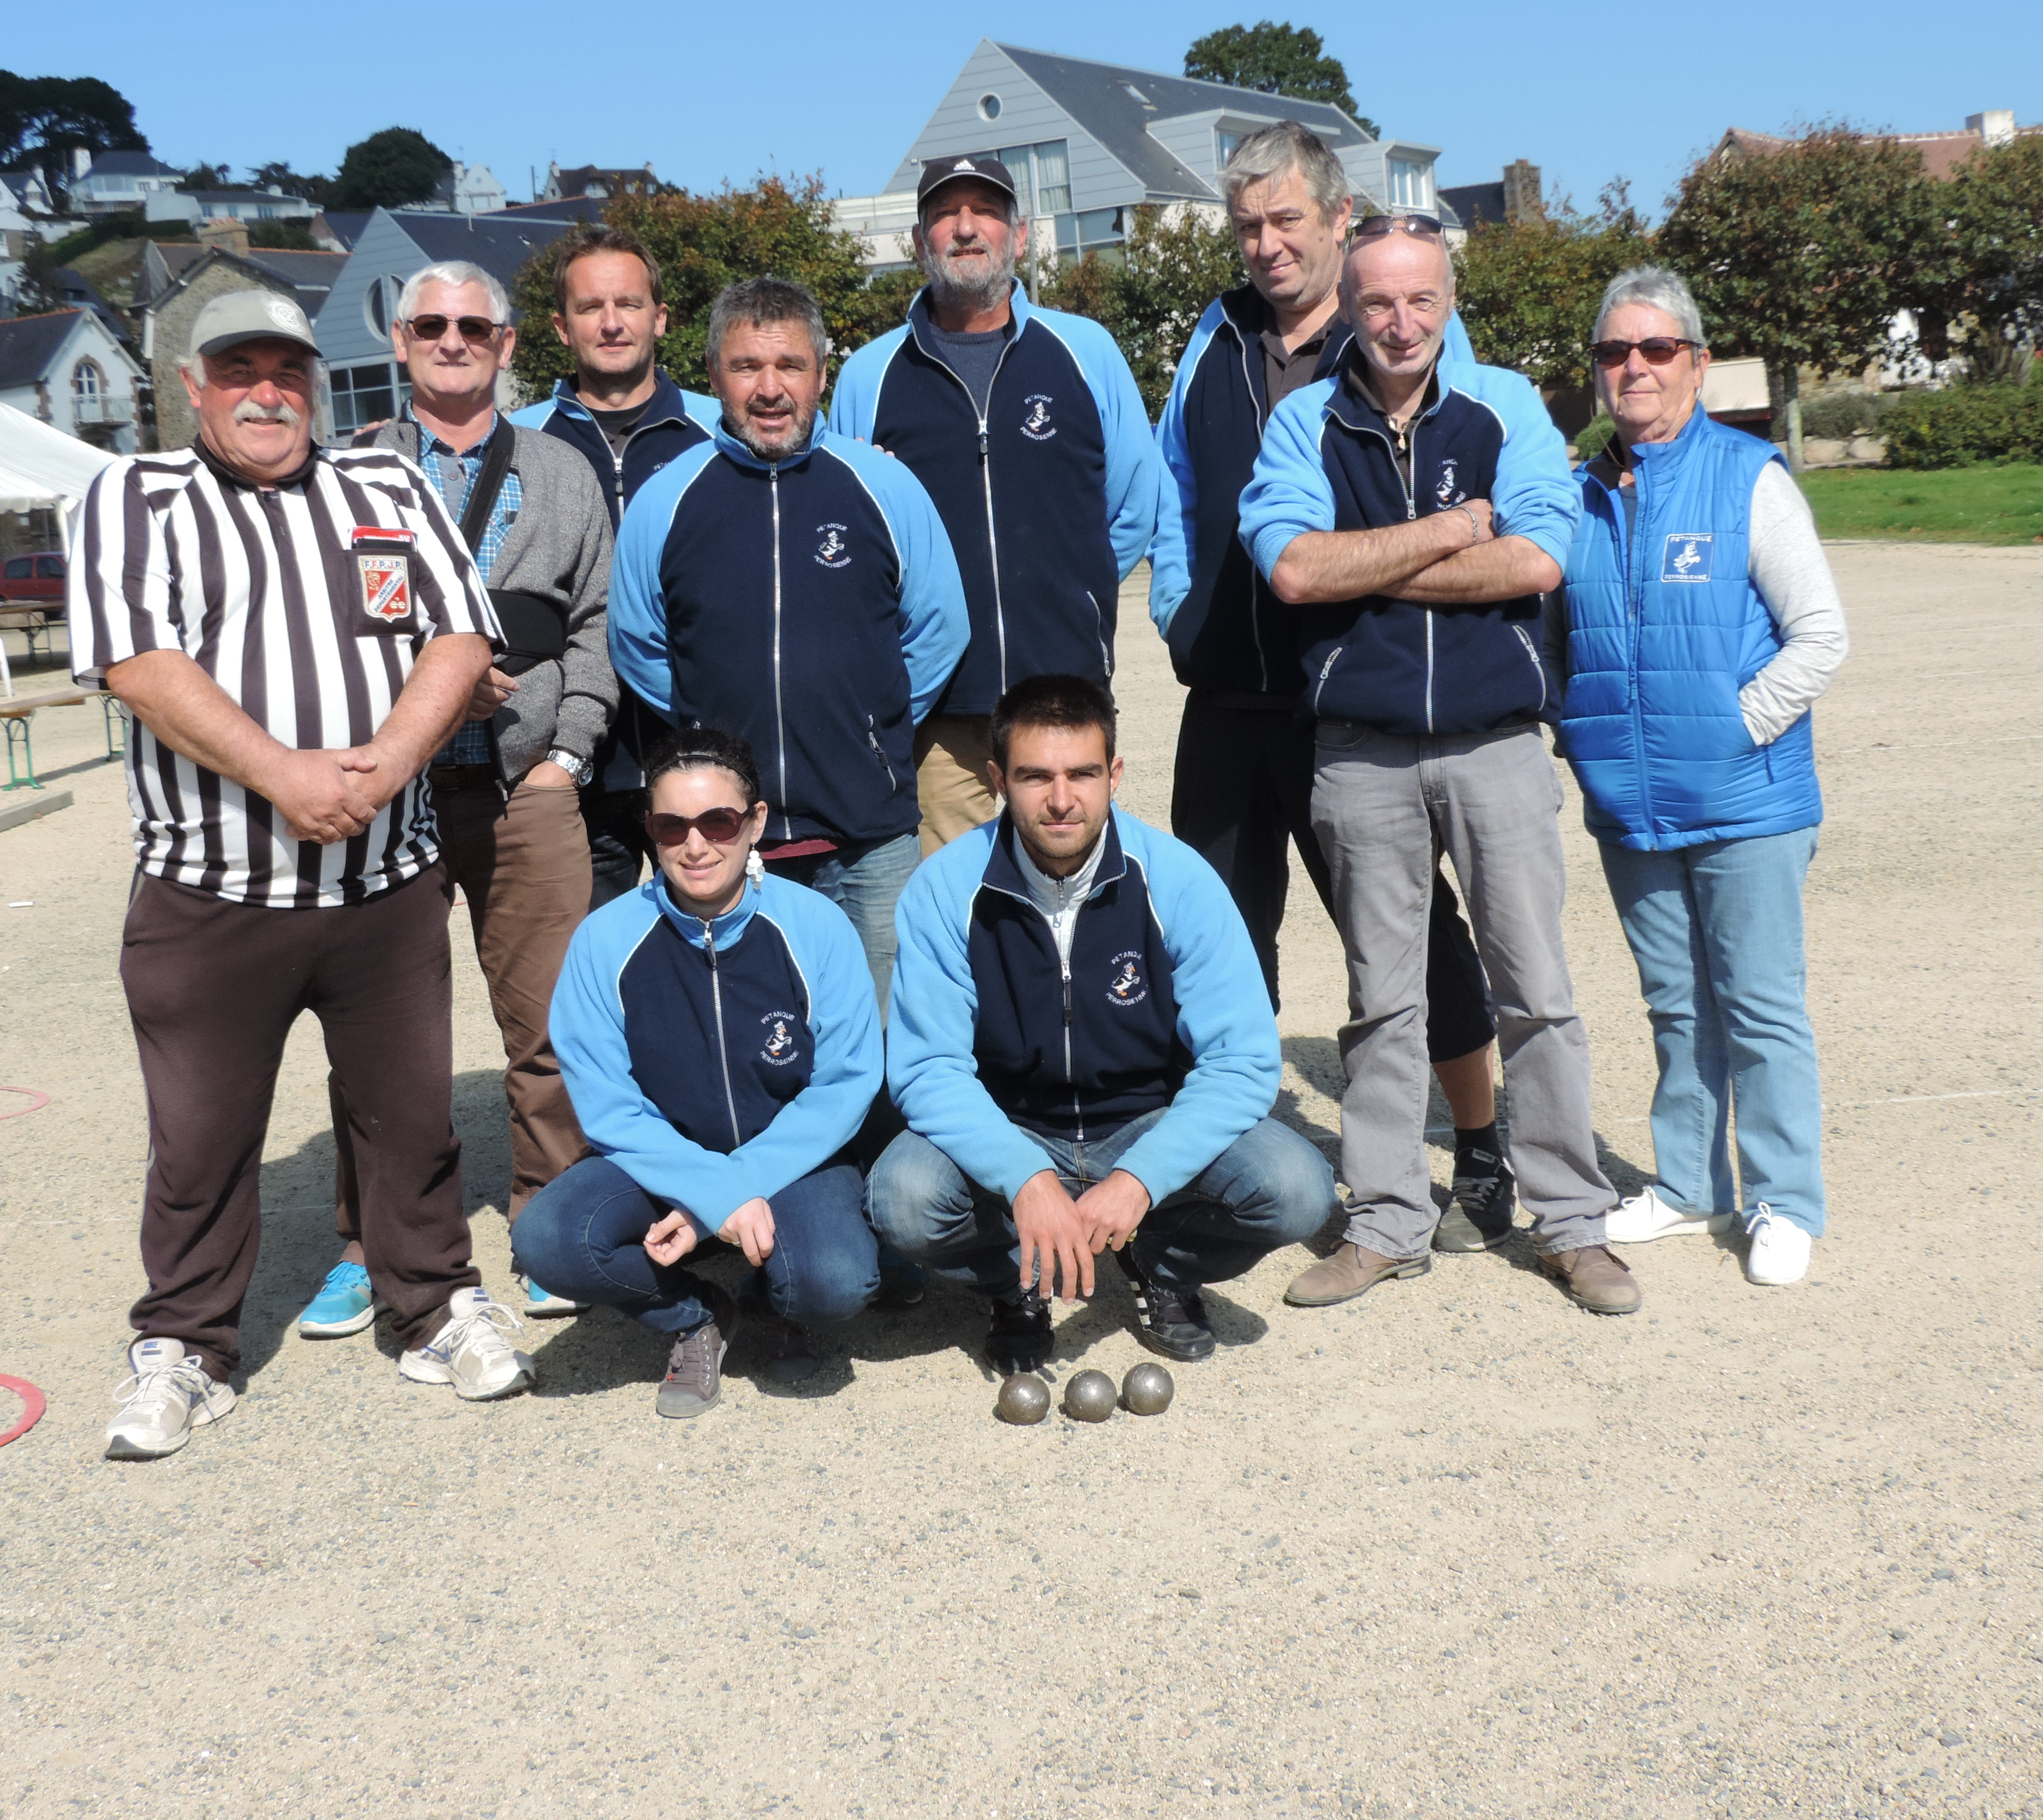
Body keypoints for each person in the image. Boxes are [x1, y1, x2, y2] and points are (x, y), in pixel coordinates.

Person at [77, 288, 523, 1463]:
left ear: (319, 381)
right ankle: (187, 1344)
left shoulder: (385, 484)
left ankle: (431, 1304)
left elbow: (461, 637)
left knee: (411, 1121)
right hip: (213, 890)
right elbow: (135, 661)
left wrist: (375, 770)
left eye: (288, 368)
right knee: (201, 1138)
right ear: (192, 384)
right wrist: (284, 774)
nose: (267, 391)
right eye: (239, 369)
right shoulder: (135, 495)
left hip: (382, 882)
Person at [1239, 210, 1638, 1316]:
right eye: (1377, 302)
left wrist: (1374, 563)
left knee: (1538, 993)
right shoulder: (1301, 424)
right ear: (1347, 307)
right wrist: (1450, 528)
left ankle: (1571, 1222)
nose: (1400, 321)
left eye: (1421, 299)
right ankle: (1385, 1223)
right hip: (1361, 753)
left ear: (1449, 302)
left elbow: (1540, 559)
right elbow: (1295, 571)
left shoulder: (1504, 405)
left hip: (1494, 743)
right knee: (1381, 1002)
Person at [1148, 122, 1509, 1249]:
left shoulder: (1400, 346)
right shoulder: (1208, 342)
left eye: (1286, 221)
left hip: (1355, 702)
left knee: (1408, 937)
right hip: (1229, 704)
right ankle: (1237, 1151)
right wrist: (1180, 615)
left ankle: (1484, 1148)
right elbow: (1162, 495)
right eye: (1248, 225)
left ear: (1340, 219)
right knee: (1213, 937)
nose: (1266, 245)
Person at [289, 259, 617, 1339]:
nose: (452, 339)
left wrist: (567, 755)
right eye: (430, 322)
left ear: (511, 344)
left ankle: (549, 1222)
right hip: (393, 791)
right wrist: (418, 703)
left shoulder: (564, 470)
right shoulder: (343, 476)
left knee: (551, 1024)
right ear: (397, 339)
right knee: (381, 1034)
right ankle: (367, 1241)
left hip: (526, 787)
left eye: (475, 325)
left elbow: (597, 627)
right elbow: (318, 632)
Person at [871, 674, 1333, 1370]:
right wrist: (1025, 1178)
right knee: (901, 1198)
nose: (1061, 800)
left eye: (1082, 773)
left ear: (1114, 774)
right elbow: (928, 1069)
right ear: (998, 779)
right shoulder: (944, 889)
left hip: (1146, 1119)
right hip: (1013, 1121)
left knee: (1299, 1190)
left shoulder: (1179, 880)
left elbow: (1240, 1064)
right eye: (1034, 776)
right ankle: (1016, 1282)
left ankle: (1159, 1260)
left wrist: (1140, 1179)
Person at [1556, 266, 1848, 1288]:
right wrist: (1576, 730)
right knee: (1675, 1004)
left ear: (1697, 363)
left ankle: (1782, 1199)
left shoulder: (1749, 476)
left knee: (1760, 1004)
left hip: (1745, 802)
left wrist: (1736, 730)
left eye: (1656, 348)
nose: (1633, 368)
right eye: (1613, 351)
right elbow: (1555, 642)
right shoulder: (1577, 491)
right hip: (1630, 807)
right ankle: (1686, 1185)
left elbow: (1819, 636)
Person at [608, 276, 967, 1004]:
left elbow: (937, 630)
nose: (770, 389)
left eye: (790, 366)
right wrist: (712, 730)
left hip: (869, 842)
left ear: (821, 374)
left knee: (891, 1044)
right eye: (747, 368)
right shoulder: (667, 501)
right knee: (751, 1042)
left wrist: (872, 722)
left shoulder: (883, 488)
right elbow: (638, 642)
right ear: (714, 377)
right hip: (727, 845)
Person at [514, 727, 885, 1418]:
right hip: (659, 1161)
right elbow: (611, 1108)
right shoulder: (604, 941)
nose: (696, 844)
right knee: (548, 1240)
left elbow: (846, 1083)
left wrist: (731, 1188)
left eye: (719, 821)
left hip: (793, 1158)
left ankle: (773, 1299)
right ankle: (694, 1316)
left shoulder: (817, 925)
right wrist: (709, 1189)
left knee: (833, 1281)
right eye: (671, 825)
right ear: (649, 831)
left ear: (756, 824)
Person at [827, 155, 1164, 852]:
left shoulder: (1085, 352)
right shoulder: (870, 376)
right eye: (945, 215)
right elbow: (850, 530)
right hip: (937, 718)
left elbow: (1133, 504)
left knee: (1067, 899)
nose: (965, 227)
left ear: (1020, 233)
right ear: (920, 243)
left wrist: (1074, 590)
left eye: (984, 210)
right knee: (955, 911)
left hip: (1063, 699)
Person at [512, 225, 722, 908]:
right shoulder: (516, 444)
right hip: (571, 767)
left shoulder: (723, 431)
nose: (611, 323)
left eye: (629, 304)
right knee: (587, 973)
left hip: (703, 755)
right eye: (589, 307)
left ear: (660, 318)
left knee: (711, 960)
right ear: (560, 326)